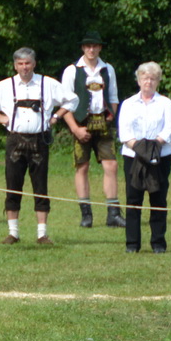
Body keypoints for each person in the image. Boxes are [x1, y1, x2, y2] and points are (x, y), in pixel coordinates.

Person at [0, 48, 76, 246]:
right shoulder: (6, 86)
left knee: (40, 186)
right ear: (15, 65)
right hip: (15, 140)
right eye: (21, 64)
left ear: (34, 64)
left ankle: (42, 234)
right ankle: (13, 233)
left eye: (28, 63)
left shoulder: (47, 83)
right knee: (13, 185)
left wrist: (57, 116)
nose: (24, 67)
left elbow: (73, 99)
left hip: (40, 140)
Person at [62, 32, 123, 229]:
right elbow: (64, 104)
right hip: (81, 122)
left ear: (100, 48)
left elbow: (113, 97)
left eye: (95, 46)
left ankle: (113, 213)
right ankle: (86, 214)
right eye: (88, 46)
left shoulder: (108, 69)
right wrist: (74, 128)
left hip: (102, 121)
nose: (91, 49)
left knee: (111, 165)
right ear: (83, 48)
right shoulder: (72, 70)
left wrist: (110, 116)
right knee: (82, 167)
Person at [116, 61, 171, 255]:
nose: (148, 82)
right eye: (144, 78)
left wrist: (153, 148)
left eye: (152, 78)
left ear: (157, 81)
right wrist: (140, 148)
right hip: (133, 156)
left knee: (158, 197)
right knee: (133, 198)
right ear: (138, 80)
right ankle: (132, 244)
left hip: (160, 156)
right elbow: (124, 132)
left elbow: (169, 130)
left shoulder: (165, 103)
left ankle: (158, 242)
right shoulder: (128, 104)